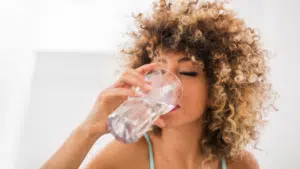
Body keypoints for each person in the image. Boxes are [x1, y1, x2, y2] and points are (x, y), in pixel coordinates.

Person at [41, 0, 276, 168]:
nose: (166, 84)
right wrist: (88, 130)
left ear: (218, 90)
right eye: (160, 69)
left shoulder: (239, 164)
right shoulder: (126, 157)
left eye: (187, 72)